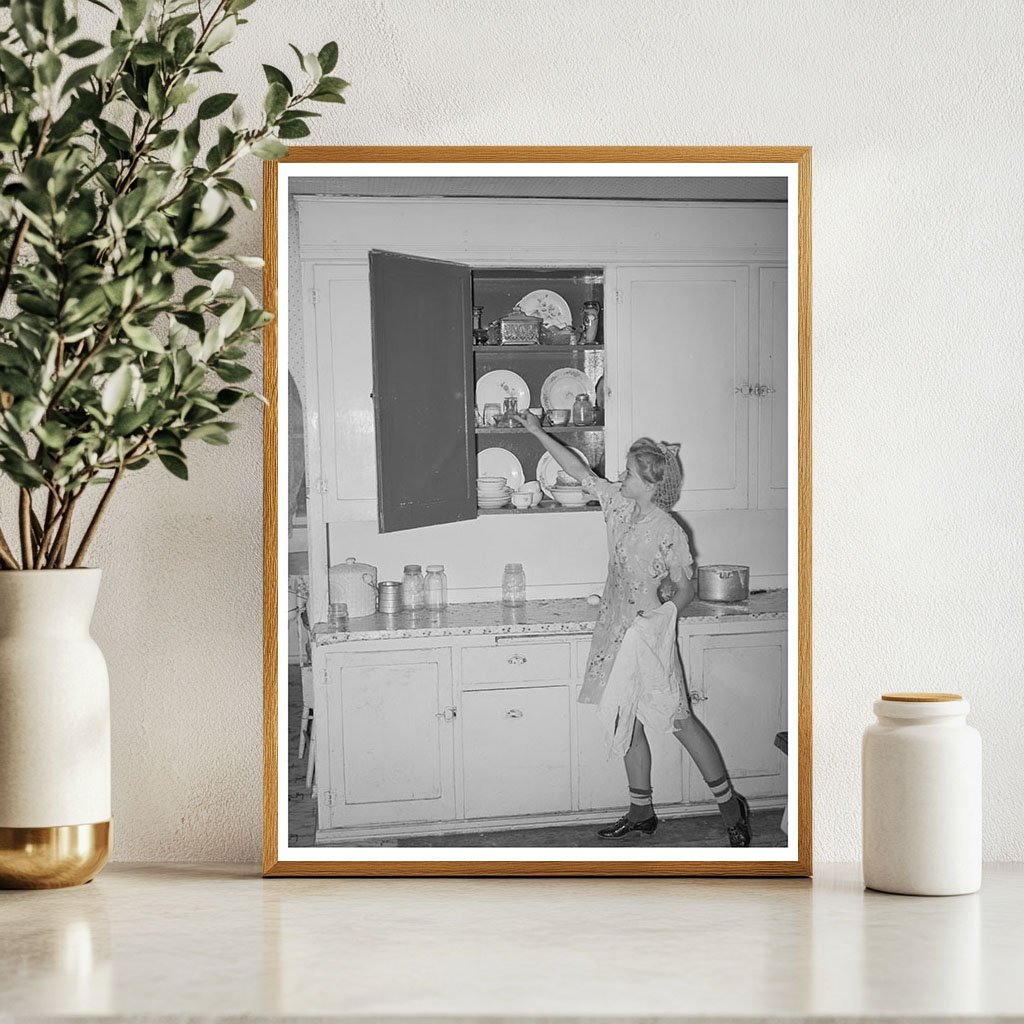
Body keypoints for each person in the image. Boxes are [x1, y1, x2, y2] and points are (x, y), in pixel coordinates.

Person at [514, 411, 752, 847]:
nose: (620, 476)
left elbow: (686, 588)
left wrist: (661, 618)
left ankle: (730, 806)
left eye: (628, 472)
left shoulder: (670, 531)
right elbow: (578, 471)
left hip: (648, 634)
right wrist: (535, 431)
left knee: (679, 720)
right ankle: (642, 813)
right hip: (613, 631)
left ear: (649, 483)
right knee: (626, 719)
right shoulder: (617, 505)